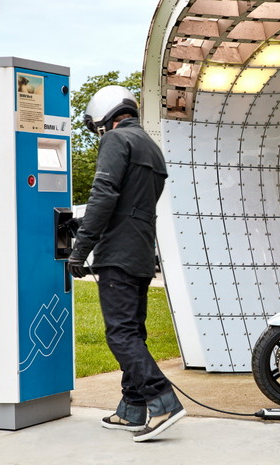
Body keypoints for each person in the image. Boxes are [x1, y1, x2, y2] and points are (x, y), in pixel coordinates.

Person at [68, 85, 185, 442]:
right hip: (141, 252)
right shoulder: (150, 146)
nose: (99, 132)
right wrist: (83, 226)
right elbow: (131, 202)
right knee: (133, 331)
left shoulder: (116, 140)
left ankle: (162, 401)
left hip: (117, 255)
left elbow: (103, 195)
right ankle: (132, 407)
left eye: (97, 126)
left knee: (120, 333)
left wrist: (80, 249)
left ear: (104, 116)